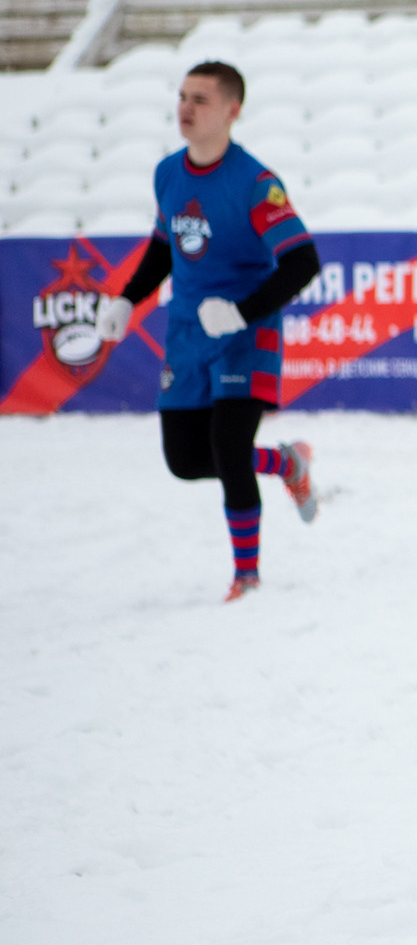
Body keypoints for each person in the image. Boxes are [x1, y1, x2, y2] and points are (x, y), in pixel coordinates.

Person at [93, 60, 321, 602]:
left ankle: (247, 576)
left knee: (227, 442)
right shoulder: (167, 173)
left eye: (200, 99)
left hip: (245, 333)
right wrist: (128, 297)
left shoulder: (256, 183)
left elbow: (303, 261)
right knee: (186, 461)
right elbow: (164, 246)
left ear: (232, 111)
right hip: (187, 334)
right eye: (182, 96)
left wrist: (243, 312)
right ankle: (287, 462)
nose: (185, 109)